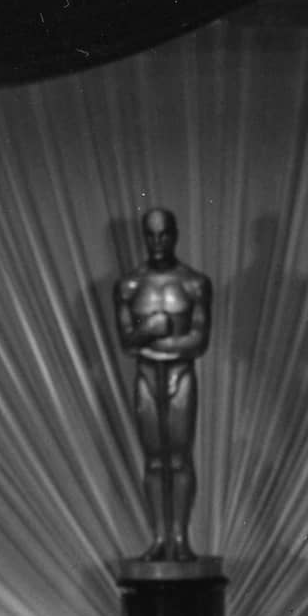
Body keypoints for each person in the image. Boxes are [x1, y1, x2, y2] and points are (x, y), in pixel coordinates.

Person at [113, 207, 212, 562]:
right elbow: (127, 343)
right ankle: (158, 538)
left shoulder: (194, 283)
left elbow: (199, 341)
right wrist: (150, 330)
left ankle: (181, 539)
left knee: (180, 458)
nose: (157, 242)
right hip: (146, 377)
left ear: (175, 235)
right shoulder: (129, 285)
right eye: (151, 235)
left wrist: (155, 340)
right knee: (155, 461)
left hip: (179, 375)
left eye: (164, 234)